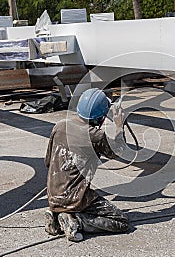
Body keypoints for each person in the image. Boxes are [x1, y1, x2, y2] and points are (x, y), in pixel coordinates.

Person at [44, 88, 129, 242]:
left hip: (54, 196)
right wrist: (119, 126)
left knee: (67, 202)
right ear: (100, 116)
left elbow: (48, 161)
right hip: (76, 199)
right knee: (121, 221)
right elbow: (119, 150)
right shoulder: (95, 135)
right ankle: (76, 221)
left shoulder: (59, 126)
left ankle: (56, 218)